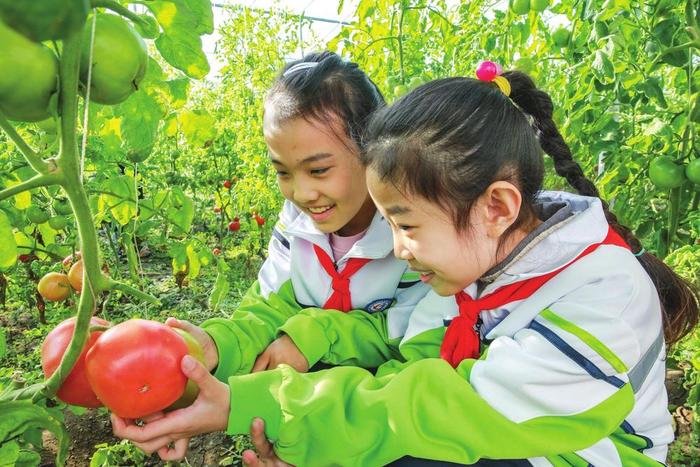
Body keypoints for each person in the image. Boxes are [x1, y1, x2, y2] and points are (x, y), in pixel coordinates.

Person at [112, 62, 698, 466]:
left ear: (496, 206)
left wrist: (251, 405)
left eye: (406, 224)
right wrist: (304, 432)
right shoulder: (477, 266)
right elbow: (409, 367)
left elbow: (443, 410)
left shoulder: (603, 295)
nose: (395, 248)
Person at [131, 51, 444, 459]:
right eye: (283, 172)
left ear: (373, 152)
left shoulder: (412, 236)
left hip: (379, 418)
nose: (301, 193)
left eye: (317, 171)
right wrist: (215, 346)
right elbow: (269, 306)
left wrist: (312, 333)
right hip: (304, 412)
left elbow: (404, 341)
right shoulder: (297, 224)